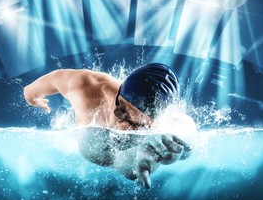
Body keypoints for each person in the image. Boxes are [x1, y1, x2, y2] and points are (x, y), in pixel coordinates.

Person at [24, 63, 195, 188]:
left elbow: (187, 132)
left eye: (136, 125)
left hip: (132, 158)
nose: (122, 125)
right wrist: (31, 94)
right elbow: (54, 79)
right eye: (121, 111)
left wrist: (170, 147)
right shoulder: (87, 87)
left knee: (165, 153)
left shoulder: (165, 124)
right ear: (119, 94)